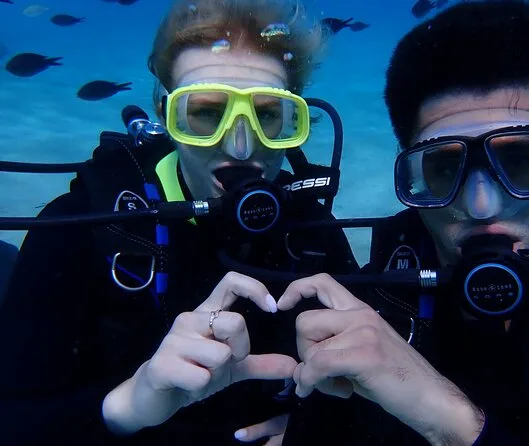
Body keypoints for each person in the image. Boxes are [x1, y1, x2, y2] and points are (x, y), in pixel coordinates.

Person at [276, 1, 529, 445]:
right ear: (412, 180)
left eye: (520, 161)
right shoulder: (363, 314)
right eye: (444, 168)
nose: (483, 206)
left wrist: (449, 421)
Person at [0, 0, 358, 444]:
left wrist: (311, 428)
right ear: (166, 115)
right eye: (206, 113)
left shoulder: (311, 231)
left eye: (267, 115)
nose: (241, 148)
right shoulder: (83, 227)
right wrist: (129, 405)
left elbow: (363, 384)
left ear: (293, 120)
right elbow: (13, 421)